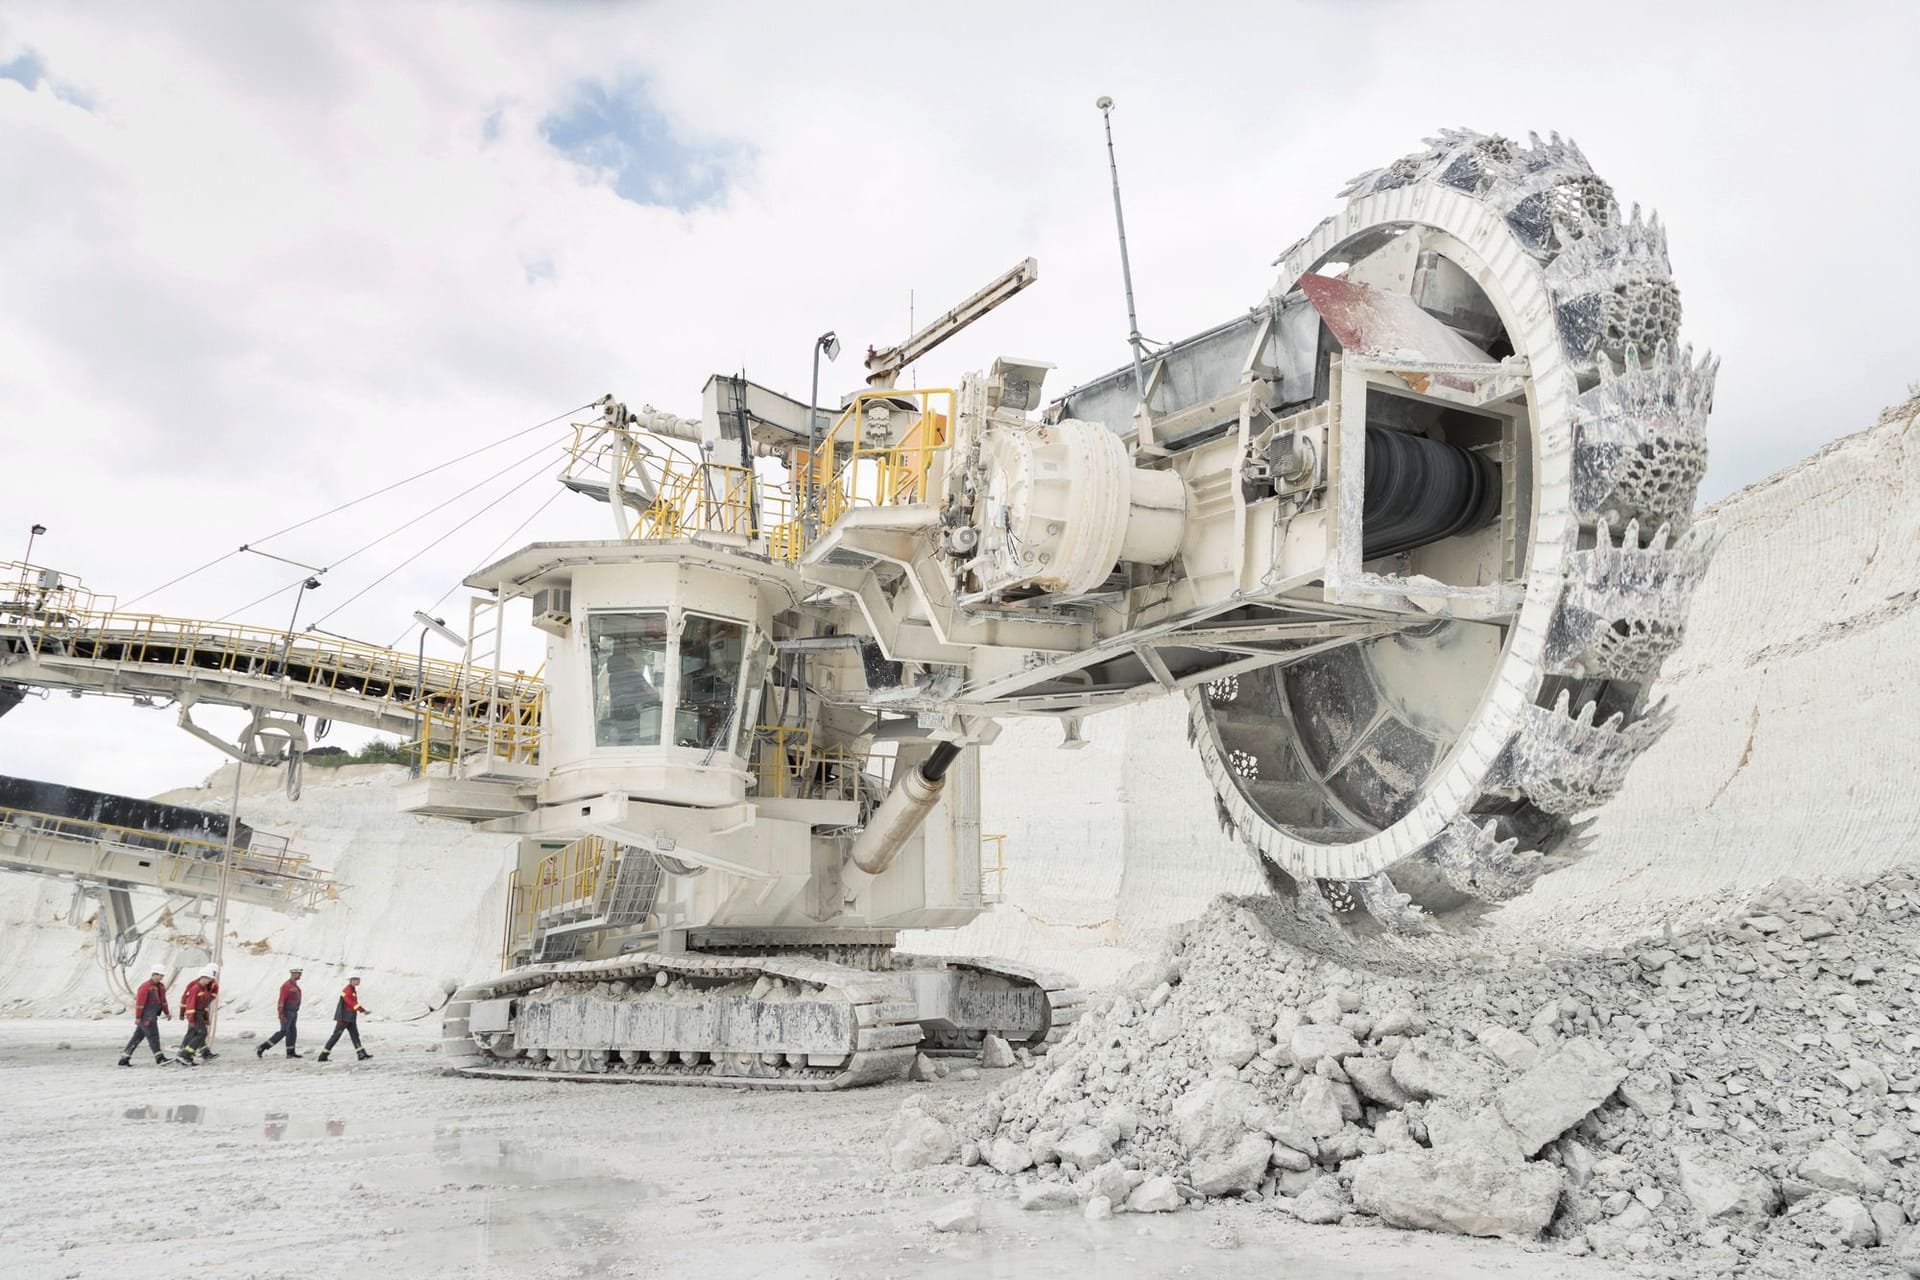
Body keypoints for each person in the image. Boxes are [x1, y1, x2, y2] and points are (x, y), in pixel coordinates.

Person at [118, 965, 174, 1067]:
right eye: (161, 975)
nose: (162, 977)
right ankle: (159, 1058)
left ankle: (124, 1058)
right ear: (154, 974)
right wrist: (138, 1017)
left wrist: (167, 1013)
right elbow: (140, 1004)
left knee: (137, 1037)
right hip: (146, 1017)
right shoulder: (145, 987)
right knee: (153, 1036)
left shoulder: (161, 987)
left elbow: (163, 1001)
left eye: (162, 975)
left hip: (152, 1015)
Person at [317, 974, 372, 1062]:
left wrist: (360, 1010)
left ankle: (361, 1053)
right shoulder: (347, 990)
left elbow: (352, 1003)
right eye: (357, 979)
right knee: (336, 1036)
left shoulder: (352, 989)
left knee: (355, 1035)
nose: (358, 981)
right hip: (344, 1018)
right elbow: (351, 1003)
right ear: (351, 980)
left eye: (359, 979)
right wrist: (362, 1010)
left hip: (349, 1017)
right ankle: (323, 1055)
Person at [257, 966, 304, 1058]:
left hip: (294, 1012)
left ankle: (290, 1052)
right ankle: (263, 1047)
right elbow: (281, 1000)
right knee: (283, 1032)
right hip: (286, 1012)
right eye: (299, 973)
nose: (300, 975)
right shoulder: (286, 985)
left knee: (292, 1032)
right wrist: (281, 1013)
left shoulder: (294, 985)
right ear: (293, 974)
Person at [177, 971, 213, 1066]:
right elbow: (190, 1005)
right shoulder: (195, 989)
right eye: (208, 979)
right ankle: (185, 1054)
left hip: (199, 1014)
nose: (209, 981)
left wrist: (206, 1018)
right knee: (202, 1033)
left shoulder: (203, 989)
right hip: (195, 1014)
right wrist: (191, 1019)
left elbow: (204, 1005)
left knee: (194, 1034)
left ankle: (186, 1056)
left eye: (210, 980)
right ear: (202, 978)